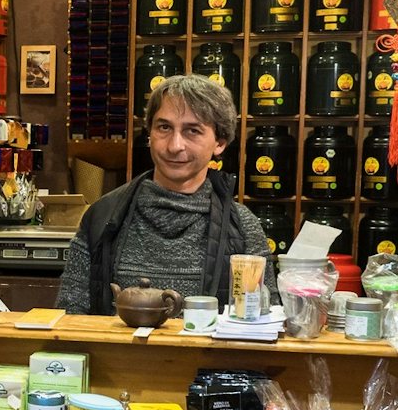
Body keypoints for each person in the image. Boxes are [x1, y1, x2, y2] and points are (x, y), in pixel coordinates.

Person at [58, 75, 275, 315]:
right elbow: (70, 317)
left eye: (192, 130)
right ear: (149, 133)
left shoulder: (242, 228)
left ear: (219, 143)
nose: (174, 146)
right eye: (164, 127)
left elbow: (266, 321)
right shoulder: (102, 217)